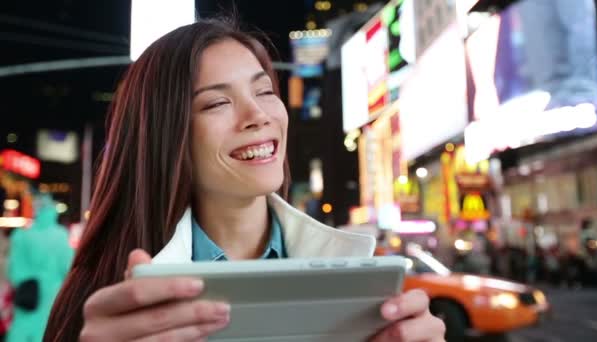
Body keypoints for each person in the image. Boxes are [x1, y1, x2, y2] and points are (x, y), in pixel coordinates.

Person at [44, 17, 445, 341]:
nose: (258, 115)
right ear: (166, 136)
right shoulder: (100, 302)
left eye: (265, 91)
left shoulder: (363, 280)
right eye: (218, 102)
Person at [7, 194, 74, 342]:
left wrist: (23, 281)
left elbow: (12, 269)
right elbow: (67, 266)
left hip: (27, 292)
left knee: (21, 329)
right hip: (52, 294)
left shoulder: (22, 235)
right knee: (45, 329)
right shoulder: (60, 236)